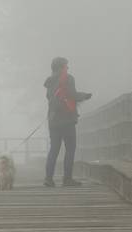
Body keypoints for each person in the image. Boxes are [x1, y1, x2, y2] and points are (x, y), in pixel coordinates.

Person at [43, 57, 91, 187]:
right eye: (66, 66)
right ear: (61, 67)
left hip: (53, 120)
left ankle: (48, 179)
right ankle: (67, 179)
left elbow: (49, 98)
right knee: (70, 149)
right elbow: (72, 94)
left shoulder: (49, 81)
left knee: (54, 149)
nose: (67, 68)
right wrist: (85, 96)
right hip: (67, 119)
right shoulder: (68, 78)